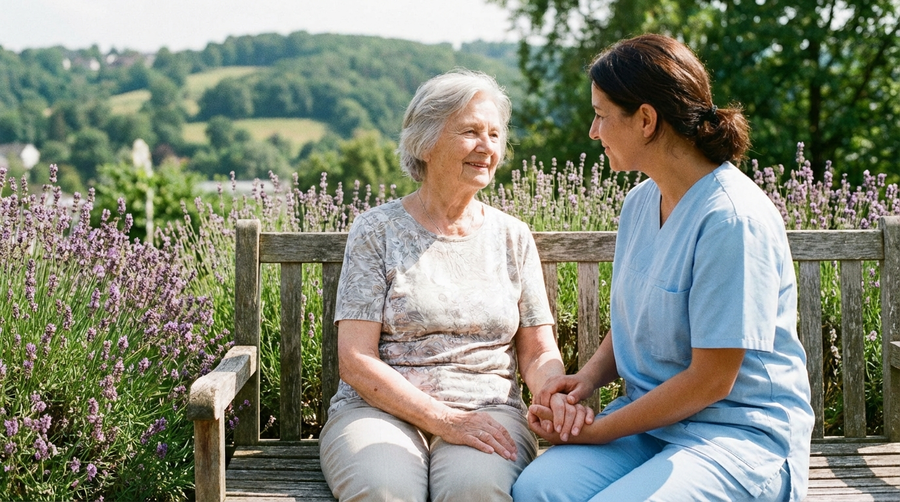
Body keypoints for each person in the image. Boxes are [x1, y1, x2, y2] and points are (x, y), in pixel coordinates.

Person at [512, 34, 815, 502]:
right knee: (537, 489)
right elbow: (641, 317)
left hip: (736, 439)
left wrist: (602, 429)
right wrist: (586, 379)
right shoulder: (640, 202)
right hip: (651, 425)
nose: (594, 131)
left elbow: (712, 380)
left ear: (646, 120)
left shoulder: (732, 220)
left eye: (601, 115)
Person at [319, 69, 582, 502]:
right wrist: (445, 420)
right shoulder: (376, 232)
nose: (487, 148)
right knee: (385, 491)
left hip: (488, 410)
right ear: (425, 141)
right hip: (377, 411)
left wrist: (552, 392)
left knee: (474, 490)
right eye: (471, 132)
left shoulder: (512, 237)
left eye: (495, 135)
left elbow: (538, 350)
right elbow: (356, 359)